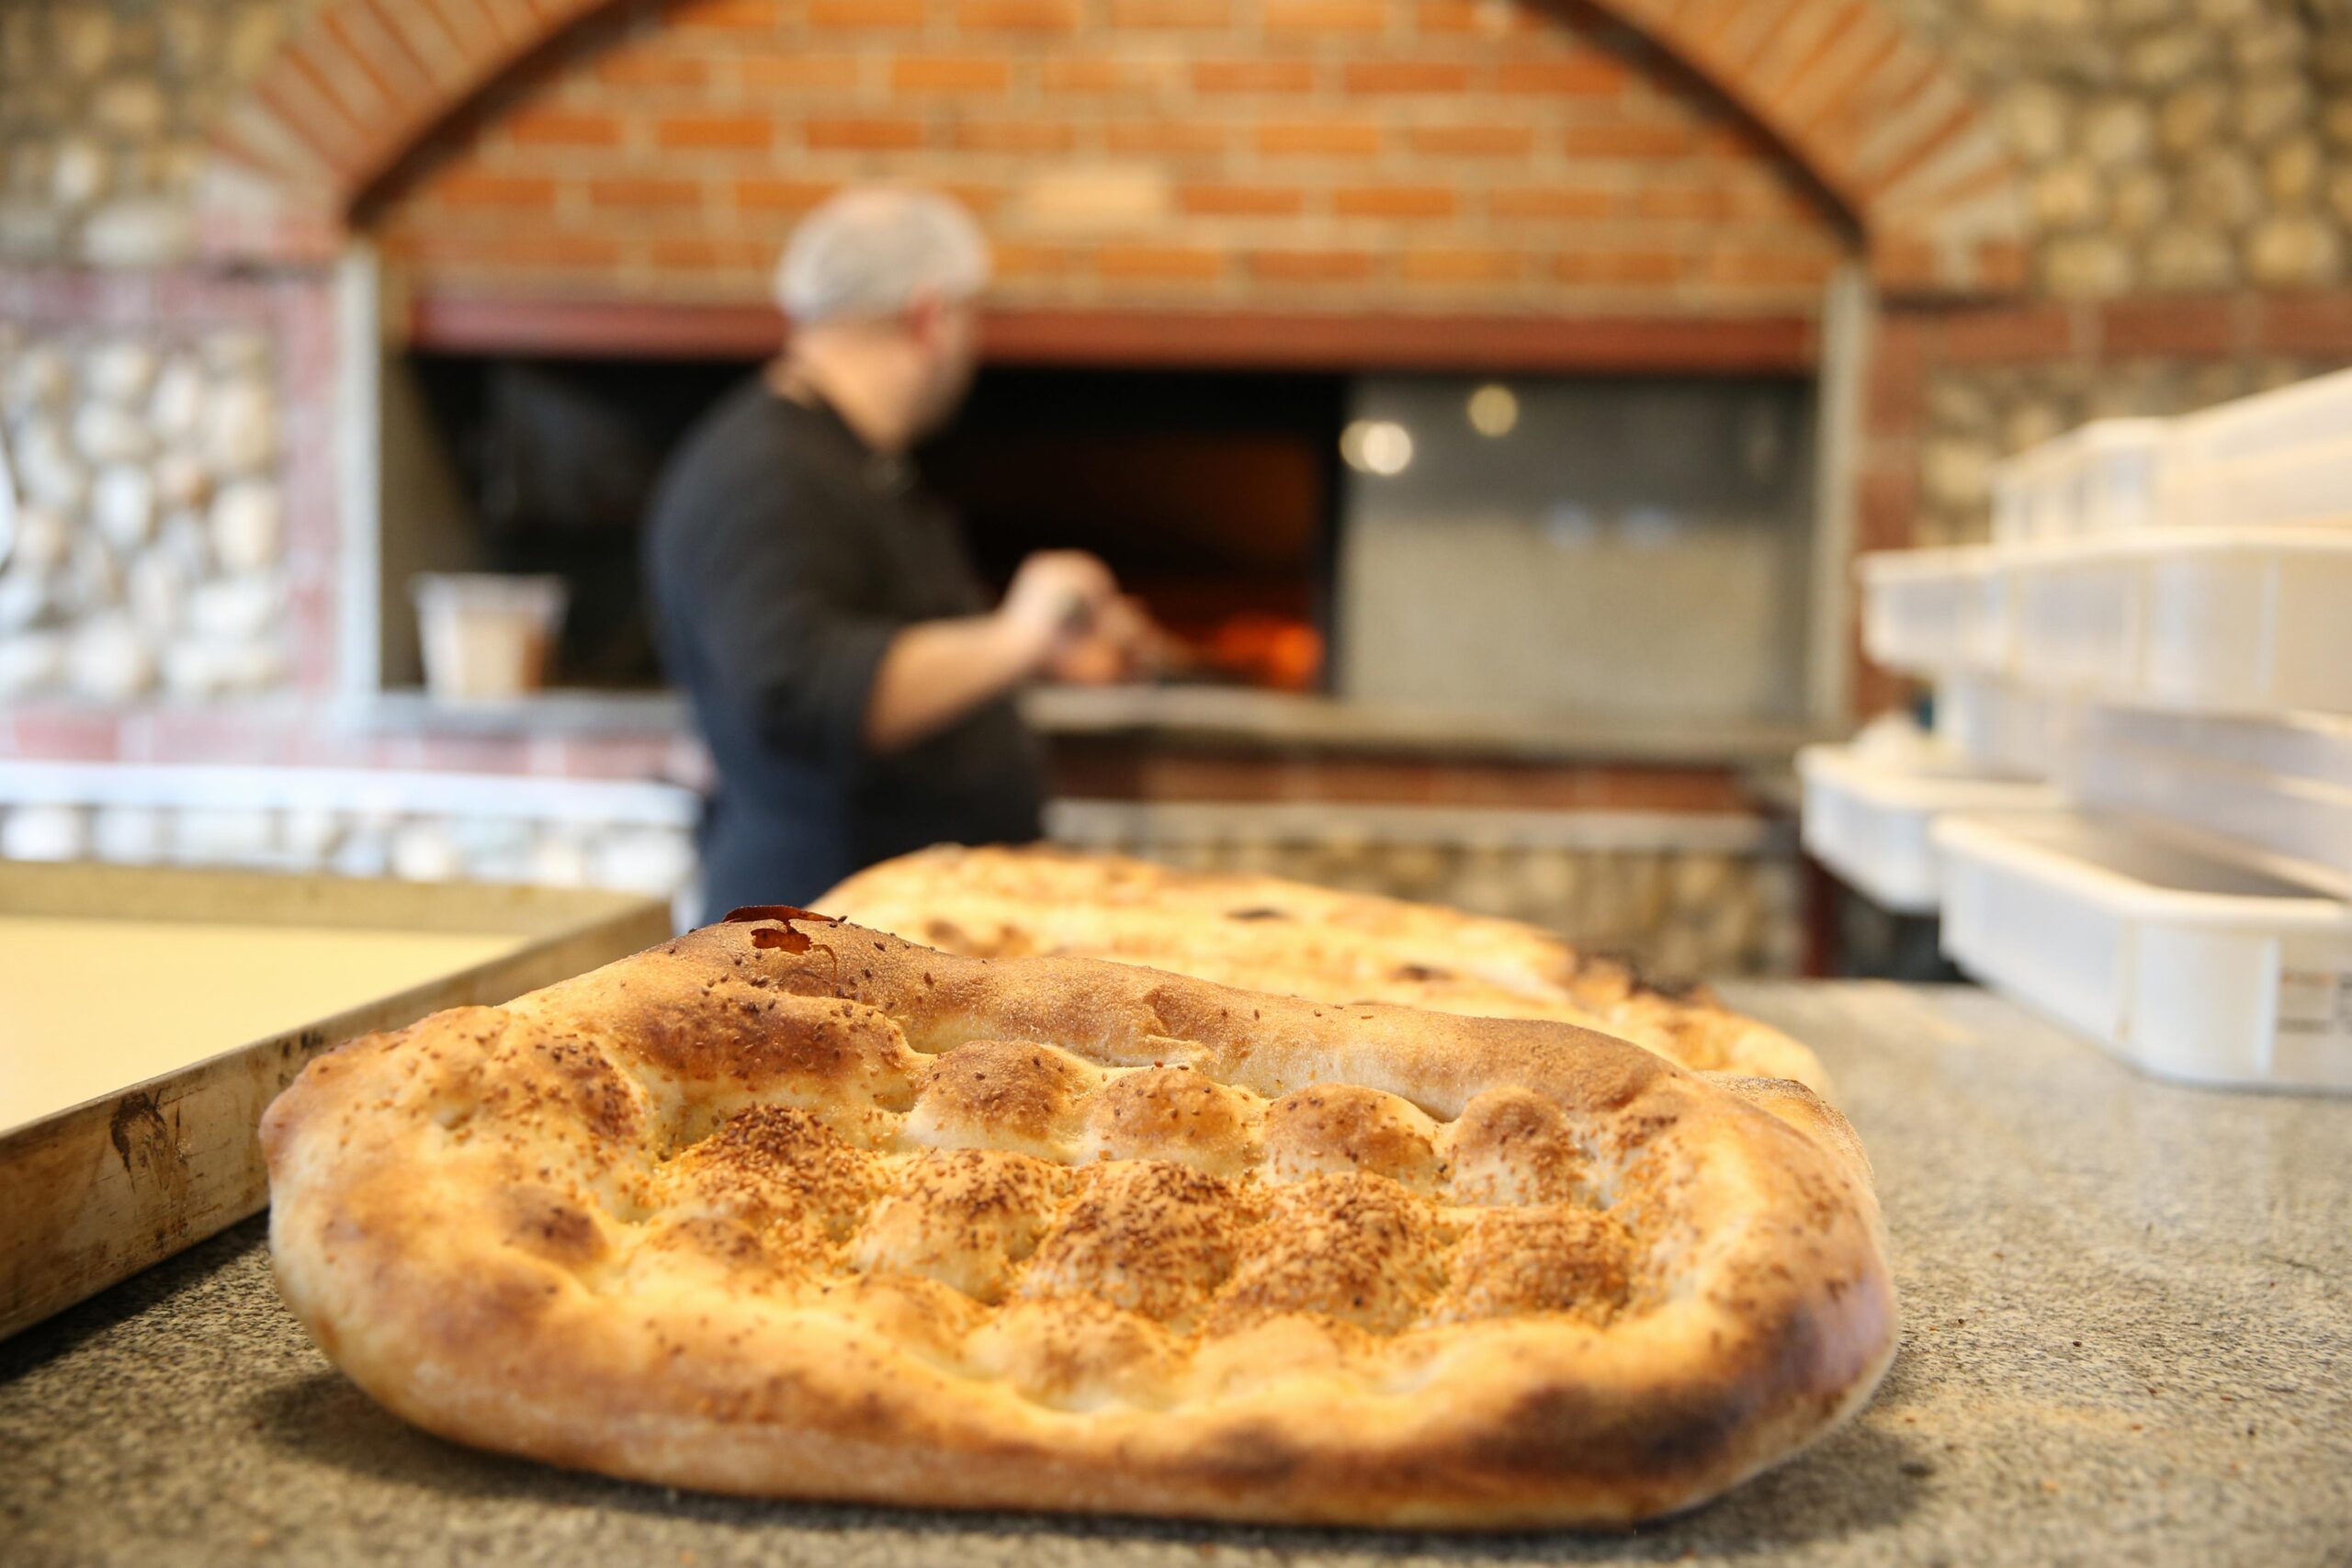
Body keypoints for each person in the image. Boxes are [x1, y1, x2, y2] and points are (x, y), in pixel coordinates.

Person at [644, 187, 1156, 921]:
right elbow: (802, 693)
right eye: (972, 316)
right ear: (930, 317)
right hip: (816, 942)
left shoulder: (848, 459)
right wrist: (1019, 634)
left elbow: (887, 648)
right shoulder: (767, 473)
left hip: (876, 930)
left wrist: (1035, 653)